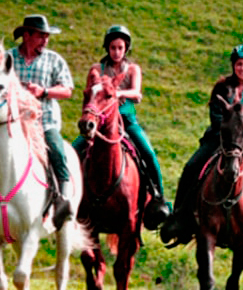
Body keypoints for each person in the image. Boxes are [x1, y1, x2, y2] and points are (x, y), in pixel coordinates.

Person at [161, 44, 243, 254]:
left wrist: (240, 133)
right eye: (239, 64)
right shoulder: (222, 88)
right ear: (233, 65)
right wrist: (227, 131)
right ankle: (179, 216)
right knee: (191, 167)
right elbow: (216, 116)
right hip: (219, 138)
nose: (242, 68)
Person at [72, 25, 171, 229]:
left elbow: (137, 93)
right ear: (107, 48)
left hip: (126, 121)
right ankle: (67, 196)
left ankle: (158, 198)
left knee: (148, 152)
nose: (116, 52)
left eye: (120, 47)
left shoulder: (132, 69)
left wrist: (118, 94)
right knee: (74, 150)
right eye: (113, 47)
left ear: (126, 49)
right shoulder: (96, 70)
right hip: (100, 123)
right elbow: (89, 94)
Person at [7, 14, 75, 229]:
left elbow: (67, 90)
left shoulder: (54, 60)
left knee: (56, 148)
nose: (45, 41)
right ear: (26, 36)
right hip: (12, 121)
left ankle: (63, 198)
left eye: (47, 36)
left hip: (44, 121)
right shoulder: (8, 59)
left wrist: (44, 91)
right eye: (41, 36)